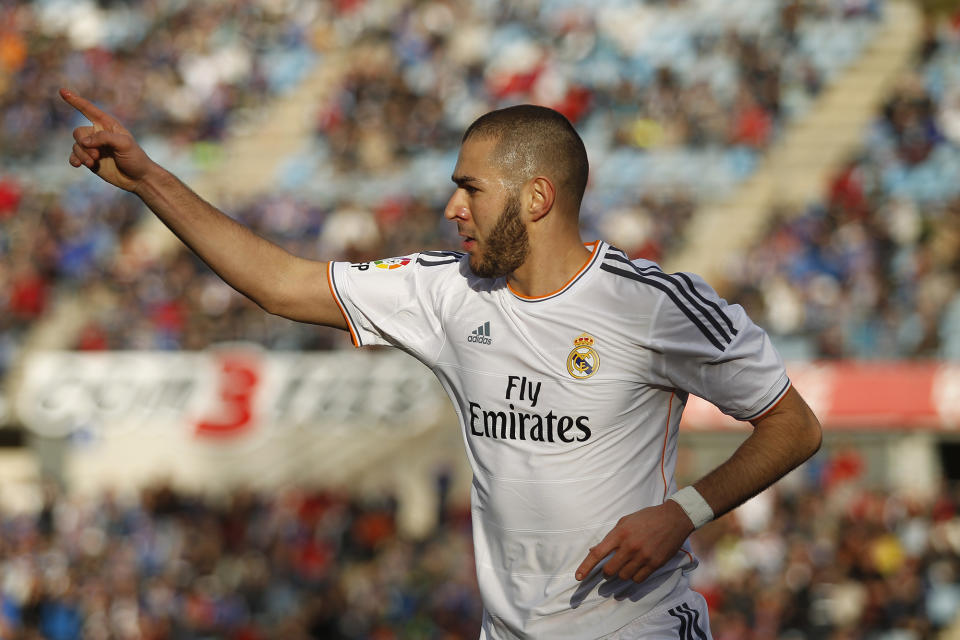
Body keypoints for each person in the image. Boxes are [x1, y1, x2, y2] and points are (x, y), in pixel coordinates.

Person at [60, 89, 822, 639]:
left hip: (641, 627)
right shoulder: (447, 291)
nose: (453, 207)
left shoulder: (651, 304)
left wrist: (680, 514)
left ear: (537, 197)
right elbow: (281, 285)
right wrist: (149, 179)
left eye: (470, 188)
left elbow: (793, 425)